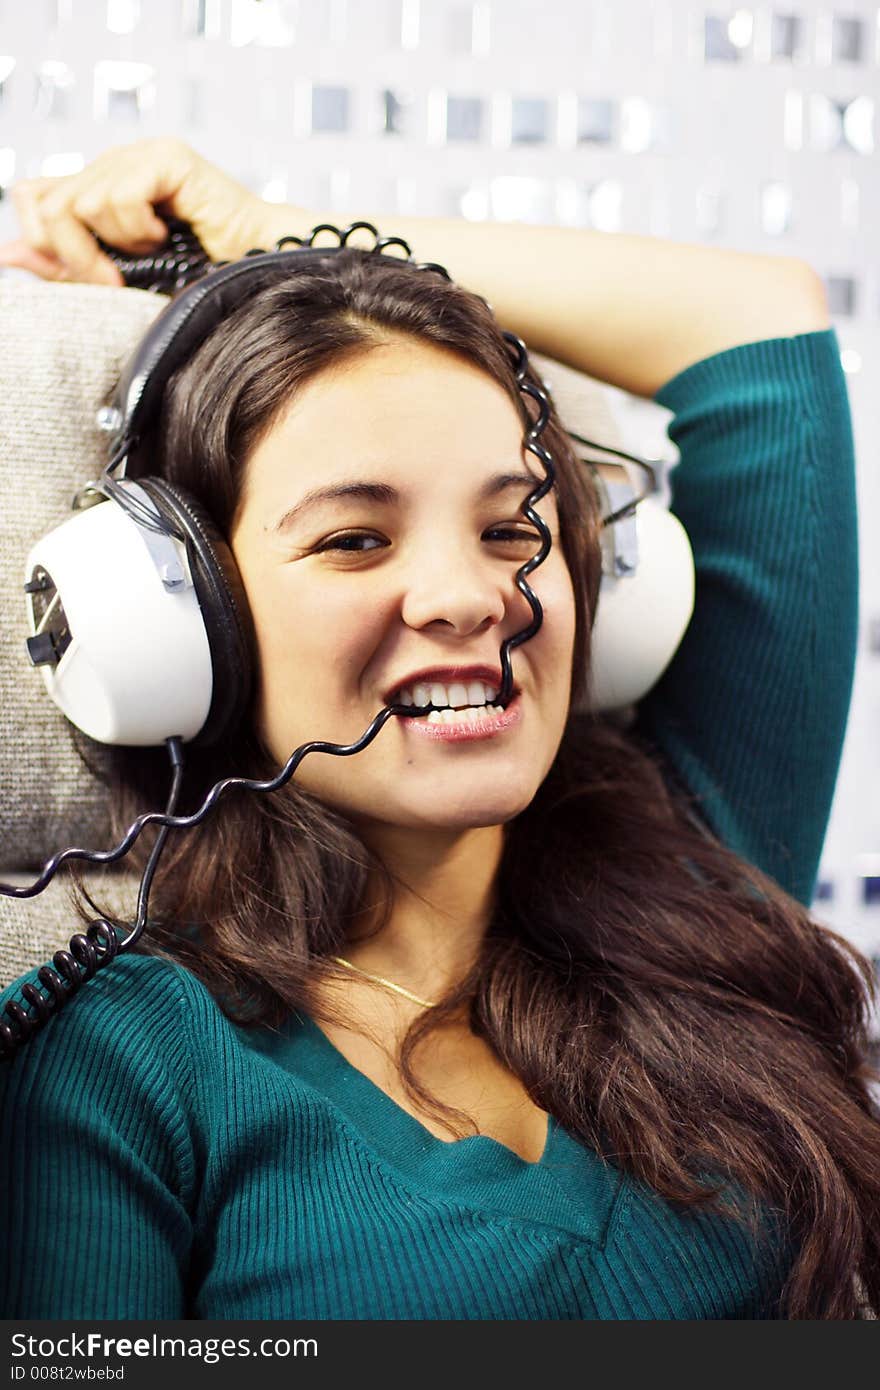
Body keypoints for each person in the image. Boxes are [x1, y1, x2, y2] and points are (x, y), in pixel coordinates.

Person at [1, 138, 878, 1321]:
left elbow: (753, 321)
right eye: (355, 539)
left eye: (513, 529)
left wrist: (281, 231)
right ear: (187, 621)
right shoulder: (124, 1063)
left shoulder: (692, 868)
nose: (472, 598)